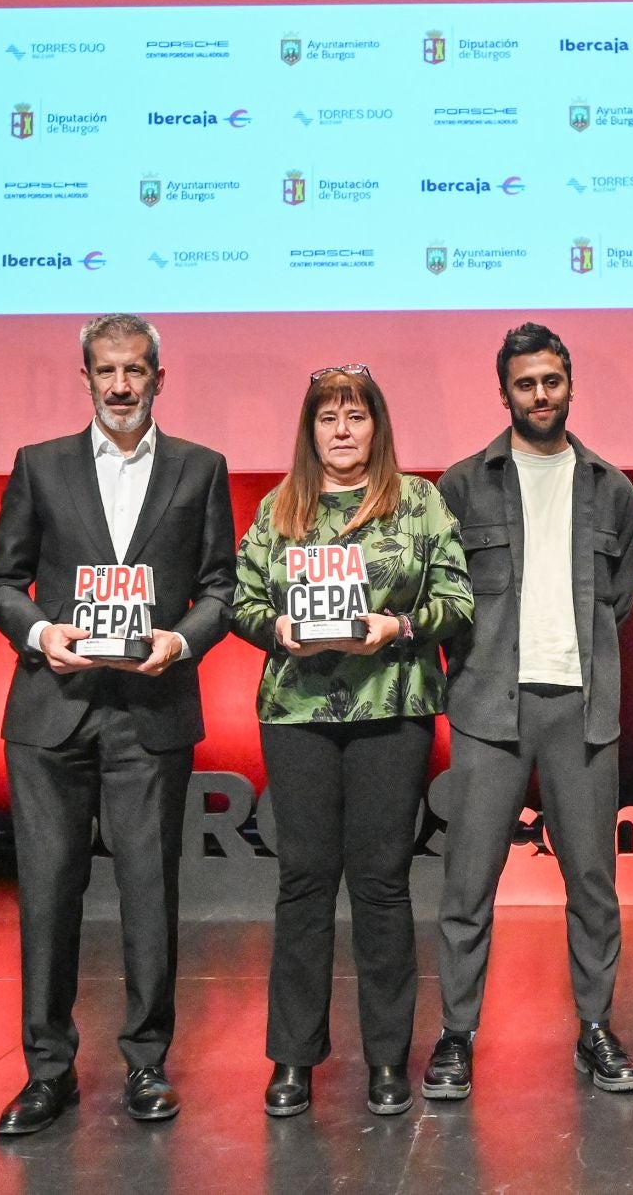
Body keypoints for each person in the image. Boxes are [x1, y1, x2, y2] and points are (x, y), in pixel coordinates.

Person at [0, 314, 236, 1135]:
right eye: (107, 370)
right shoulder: (40, 464)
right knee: (48, 897)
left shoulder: (201, 468)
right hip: (51, 712)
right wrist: (39, 632)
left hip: (151, 711)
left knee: (148, 892)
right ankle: (47, 1071)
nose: (121, 384)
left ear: (159, 377)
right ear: (86, 377)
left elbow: (221, 588)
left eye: (136, 369)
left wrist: (179, 640)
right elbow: (4, 580)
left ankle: (146, 1063)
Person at [233, 365, 472, 1119]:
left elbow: (458, 600)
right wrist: (276, 628)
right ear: (309, 429)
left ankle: (387, 1060)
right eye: (328, 417)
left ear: (378, 425)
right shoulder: (278, 507)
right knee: (303, 881)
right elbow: (240, 598)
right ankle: (293, 1060)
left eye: (356, 415)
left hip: (391, 706)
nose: (342, 429)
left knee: (380, 883)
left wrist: (397, 627)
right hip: (296, 712)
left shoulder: (421, 501)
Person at [422, 323, 633, 1101]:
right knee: (468, 885)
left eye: (552, 380)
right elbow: (446, 600)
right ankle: (457, 1035)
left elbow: (617, 602)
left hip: (581, 711)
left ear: (570, 384)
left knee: (592, 883)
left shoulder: (614, 489)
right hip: (489, 708)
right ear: (505, 391)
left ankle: (595, 1028)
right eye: (526, 383)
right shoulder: (460, 485)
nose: (540, 394)